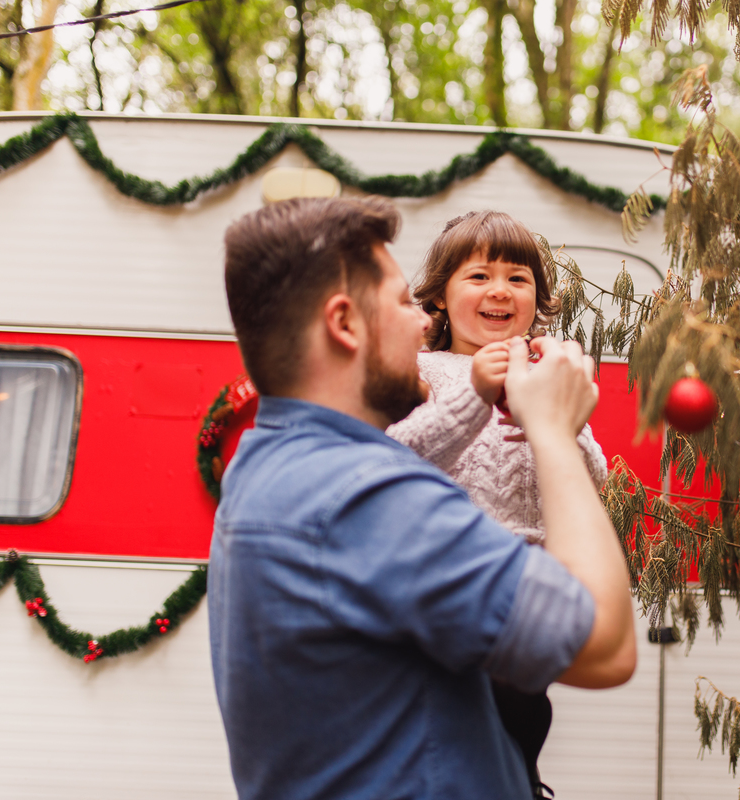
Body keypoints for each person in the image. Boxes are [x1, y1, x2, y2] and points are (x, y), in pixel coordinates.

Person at [208, 196, 636, 800]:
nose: (419, 321)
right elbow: (604, 644)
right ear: (345, 323)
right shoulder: (361, 495)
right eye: (405, 302)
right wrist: (551, 432)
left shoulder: (268, 465)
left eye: (518, 278)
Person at [387, 211, 607, 797]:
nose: (499, 291)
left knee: (521, 715)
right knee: (452, 723)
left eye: (518, 277)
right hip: (445, 585)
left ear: (540, 298)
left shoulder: (549, 373)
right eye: (478, 276)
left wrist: (559, 424)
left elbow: (589, 481)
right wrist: (477, 394)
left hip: (524, 591)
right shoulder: (422, 371)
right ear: (438, 296)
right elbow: (387, 461)